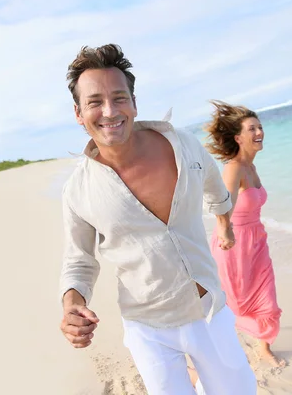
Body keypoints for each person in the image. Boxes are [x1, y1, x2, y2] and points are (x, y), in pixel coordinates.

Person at [59, 44, 257, 394]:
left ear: (133, 103)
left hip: (209, 312)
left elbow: (215, 188)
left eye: (119, 98)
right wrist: (73, 304)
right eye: (94, 102)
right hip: (148, 328)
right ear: (78, 113)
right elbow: (79, 261)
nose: (109, 111)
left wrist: (224, 222)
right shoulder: (78, 191)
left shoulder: (182, 145)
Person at [204, 101, 285, 368]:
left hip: (257, 242)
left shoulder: (251, 166)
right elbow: (220, 201)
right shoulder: (235, 168)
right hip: (233, 246)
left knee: (267, 297)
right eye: (252, 128)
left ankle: (264, 348)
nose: (259, 131)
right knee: (235, 302)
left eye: (260, 126)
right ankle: (211, 341)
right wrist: (225, 230)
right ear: (239, 137)